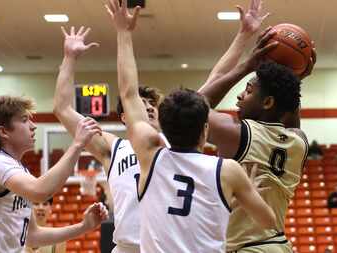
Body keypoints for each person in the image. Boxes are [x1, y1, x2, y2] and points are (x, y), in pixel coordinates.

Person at [106, 0, 277, 252]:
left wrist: (123, 33)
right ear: (205, 129)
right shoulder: (228, 171)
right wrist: (244, 193)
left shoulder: (149, 153)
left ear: (163, 122)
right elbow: (268, 221)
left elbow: (128, 92)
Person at [197, 7, 316, 253]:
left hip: (248, 247)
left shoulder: (239, 134)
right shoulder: (298, 141)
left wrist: (246, 67)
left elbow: (192, 106)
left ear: (268, 102)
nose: (240, 95)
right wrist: (292, 78)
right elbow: (288, 106)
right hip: (278, 244)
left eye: (249, 90)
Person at [53, 25, 165, 253]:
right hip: (126, 247)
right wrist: (69, 58)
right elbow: (62, 108)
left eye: (152, 105)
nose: (149, 108)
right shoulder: (113, 148)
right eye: (142, 105)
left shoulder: (176, 144)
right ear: (125, 117)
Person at [0, 95, 108, 252]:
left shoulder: (21, 171)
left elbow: (33, 235)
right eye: (24, 120)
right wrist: (77, 144)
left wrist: (84, 226)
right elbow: (41, 191)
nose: (33, 126)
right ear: (3, 131)